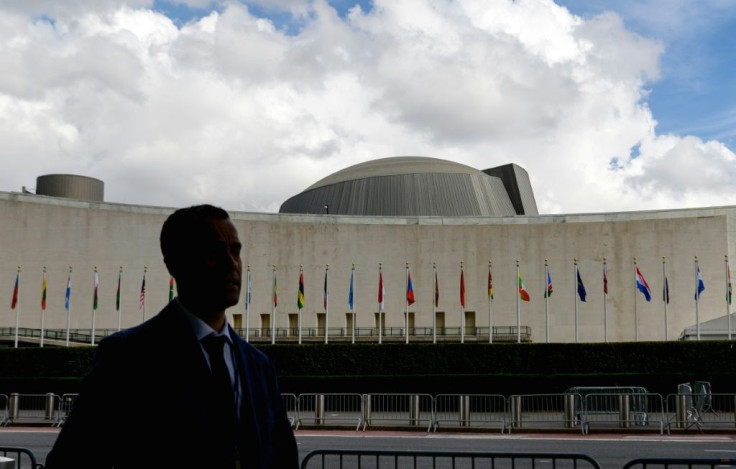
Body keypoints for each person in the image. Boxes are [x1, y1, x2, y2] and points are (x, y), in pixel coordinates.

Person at [46, 204, 298, 468]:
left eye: (235, 251)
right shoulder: (128, 357)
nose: (231, 263)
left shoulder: (259, 366)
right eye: (214, 252)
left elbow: (283, 457)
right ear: (175, 263)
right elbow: (71, 458)